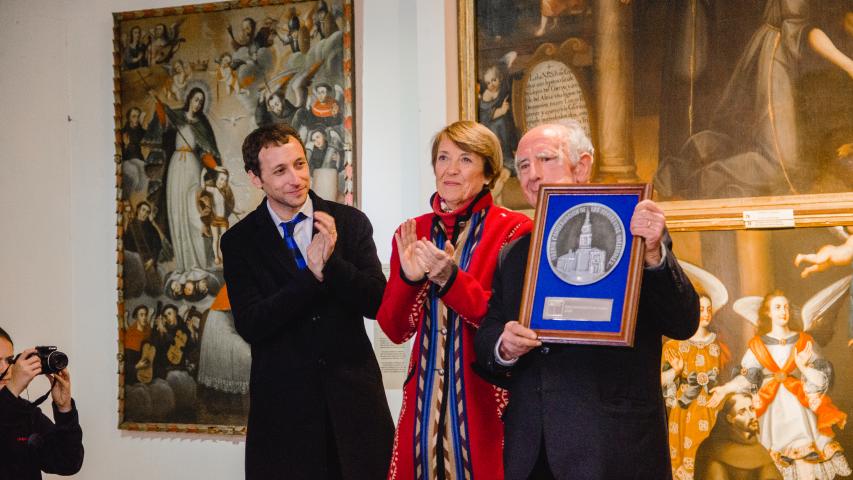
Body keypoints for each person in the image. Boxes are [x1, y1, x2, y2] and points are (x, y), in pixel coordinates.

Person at [473, 121, 700, 479]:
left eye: (545, 159)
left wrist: (655, 256)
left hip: (614, 448)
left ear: (582, 167)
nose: (531, 175)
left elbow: (683, 322)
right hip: (533, 451)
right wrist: (504, 345)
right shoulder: (514, 254)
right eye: (523, 166)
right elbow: (487, 336)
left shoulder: (635, 234)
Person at [222, 123, 393, 479]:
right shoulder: (239, 242)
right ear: (256, 178)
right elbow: (252, 324)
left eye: (300, 164)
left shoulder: (349, 222)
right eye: (280, 171)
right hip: (285, 417)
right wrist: (310, 277)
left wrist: (332, 265)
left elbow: (378, 303)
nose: (296, 178)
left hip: (355, 409)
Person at [377, 121, 532, 479]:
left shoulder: (515, 231)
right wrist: (407, 279)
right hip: (421, 403)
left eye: (465, 159)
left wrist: (451, 280)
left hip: (486, 401)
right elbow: (395, 329)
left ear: (488, 172)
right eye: (443, 158)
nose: (450, 169)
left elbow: (506, 320)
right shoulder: (411, 231)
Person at [708, 291, 850, 480]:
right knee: (773, 461)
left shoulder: (804, 341)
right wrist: (725, 388)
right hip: (771, 408)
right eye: (777, 307)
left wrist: (803, 367)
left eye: (785, 307)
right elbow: (747, 377)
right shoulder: (758, 345)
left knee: (806, 458)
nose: (783, 311)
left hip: (799, 405)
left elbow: (821, 379)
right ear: (768, 313)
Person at [149, 86, 221, 275]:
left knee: (193, 210)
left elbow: (207, 152)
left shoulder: (201, 124)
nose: (197, 104)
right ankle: (183, 264)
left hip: (191, 166)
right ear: (189, 99)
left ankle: (198, 263)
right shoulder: (177, 117)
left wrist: (214, 167)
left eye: (200, 101)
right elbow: (163, 124)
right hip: (175, 168)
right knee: (177, 211)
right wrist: (160, 108)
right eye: (195, 99)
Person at [661, 294, 731, 480]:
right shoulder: (674, 345)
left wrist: (723, 393)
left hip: (713, 407)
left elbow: (727, 379)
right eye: (701, 309)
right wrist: (675, 372)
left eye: (709, 309)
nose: (706, 314)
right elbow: (660, 382)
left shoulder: (719, 345)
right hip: (685, 410)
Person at [0, 327, 84, 479]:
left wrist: (64, 410)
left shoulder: (26, 413)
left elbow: (68, 462)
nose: (5, 368)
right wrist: (12, 389)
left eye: (9, 360)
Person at [694, 393, 782, 480]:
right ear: (730, 419)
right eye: (742, 412)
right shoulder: (714, 450)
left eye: (751, 409)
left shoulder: (758, 449)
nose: (751, 416)